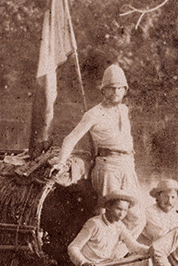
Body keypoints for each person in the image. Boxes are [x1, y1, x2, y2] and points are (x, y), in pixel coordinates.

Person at [56, 63, 144, 235]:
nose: (115, 92)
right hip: (107, 167)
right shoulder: (94, 113)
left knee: (137, 217)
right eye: (111, 88)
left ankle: (116, 257)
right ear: (103, 90)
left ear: (125, 90)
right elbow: (70, 138)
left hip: (128, 165)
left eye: (119, 88)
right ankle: (100, 255)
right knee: (107, 216)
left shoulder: (125, 110)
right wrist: (60, 162)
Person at [67, 191, 149, 266]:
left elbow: (134, 246)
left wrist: (151, 250)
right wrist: (84, 263)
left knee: (144, 262)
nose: (121, 214)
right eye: (118, 209)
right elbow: (73, 247)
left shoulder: (119, 226)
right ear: (108, 207)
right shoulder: (94, 223)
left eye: (125, 210)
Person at [141, 178, 178, 245]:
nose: (169, 201)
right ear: (158, 197)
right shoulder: (149, 212)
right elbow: (160, 236)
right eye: (165, 197)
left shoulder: (177, 214)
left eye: (173, 197)